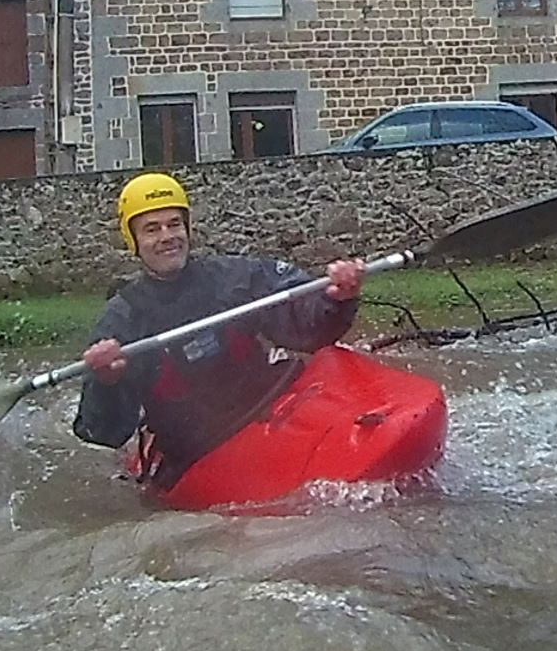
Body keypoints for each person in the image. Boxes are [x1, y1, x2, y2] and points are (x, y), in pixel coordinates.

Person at [73, 172, 365, 496]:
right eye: (152, 229)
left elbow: (307, 329)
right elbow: (103, 431)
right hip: (199, 451)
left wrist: (336, 299)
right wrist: (106, 382)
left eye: (174, 224)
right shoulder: (122, 319)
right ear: (134, 241)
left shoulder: (234, 278)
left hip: (267, 408)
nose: (167, 236)